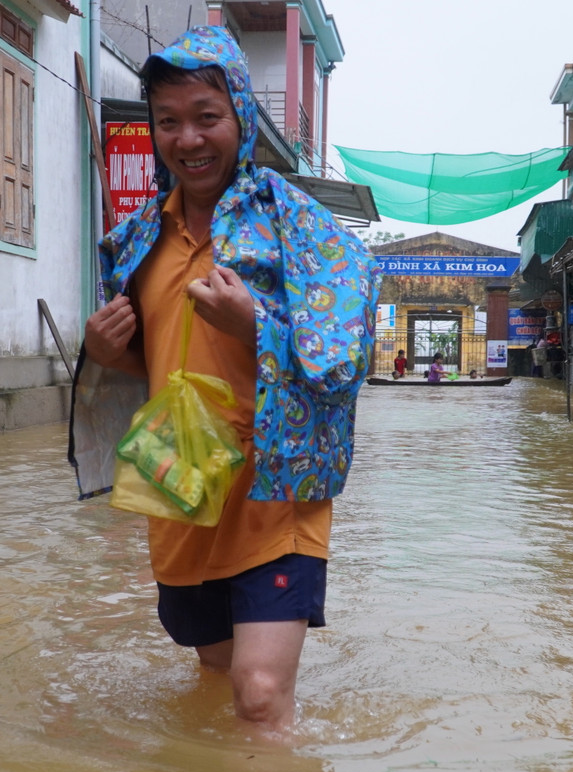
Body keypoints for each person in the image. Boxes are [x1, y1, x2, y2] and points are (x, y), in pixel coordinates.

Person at [69, 26, 380, 734]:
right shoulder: (138, 238)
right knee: (216, 675)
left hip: (275, 490)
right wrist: (102, 348)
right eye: (168, 122)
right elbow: (154, 362)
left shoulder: (298, 225)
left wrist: (257, 327)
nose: (189, 138)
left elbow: (347, 359)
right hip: (182, 481)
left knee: (260, 691)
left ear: (240, 117)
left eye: (207, 117)